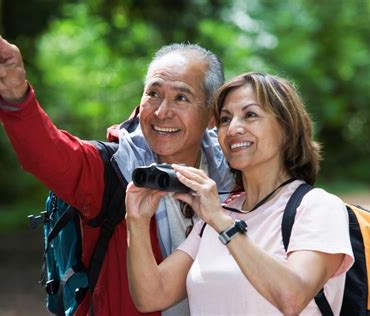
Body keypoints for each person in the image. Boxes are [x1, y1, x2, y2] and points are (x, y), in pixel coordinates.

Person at [0, 26, 234, 315]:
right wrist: (15, 95)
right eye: (154, 94)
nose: (161, 112)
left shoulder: (236, 177)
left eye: (181, 98)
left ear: (212, 115)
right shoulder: (114, 169)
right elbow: (47, 155)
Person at [126, 72, 355, 315]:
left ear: (287, 128)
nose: (233, 128)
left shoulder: (318, 207)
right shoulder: (218, 213)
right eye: (225, 119)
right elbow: (151, 296)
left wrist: (223, 224)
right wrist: (137, 221)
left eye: (250, 115)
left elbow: (291, 297)